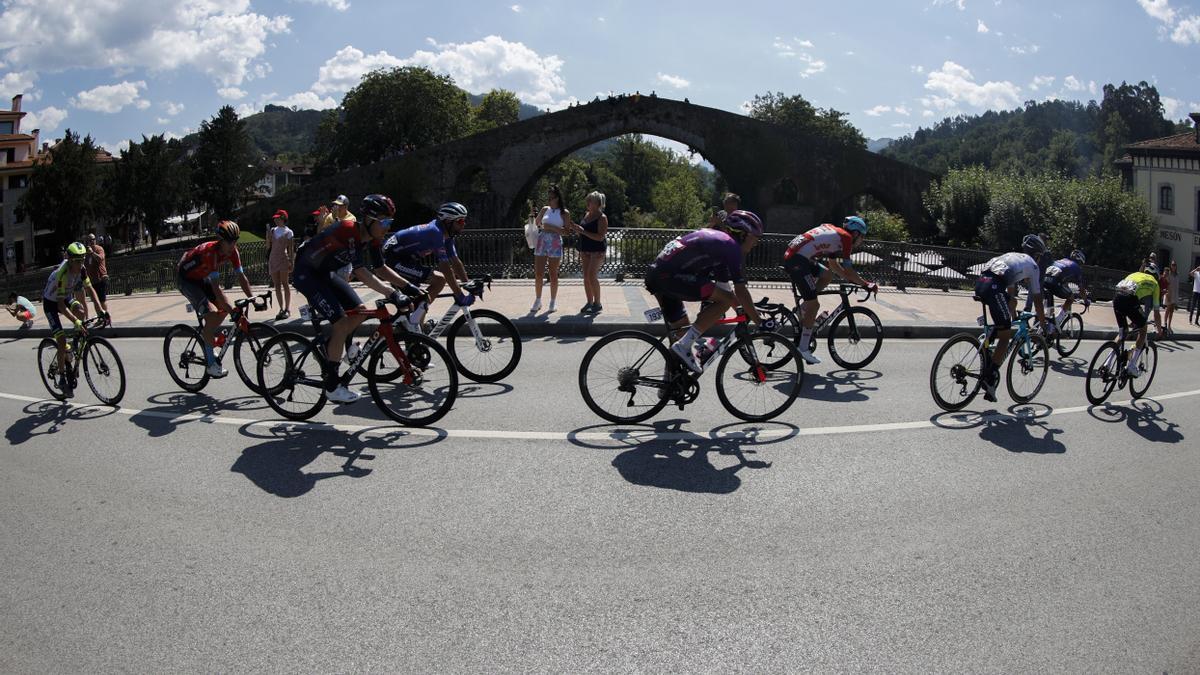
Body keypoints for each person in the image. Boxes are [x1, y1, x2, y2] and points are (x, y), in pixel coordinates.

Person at [291, 194, 425, 404]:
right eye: (384, 222)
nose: (387, 227)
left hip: (326, 273)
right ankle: (333, 386)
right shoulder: (348, 230)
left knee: (360, 311)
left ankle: (333, 348)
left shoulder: (372, 238)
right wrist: (392, 293)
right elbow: (361, 271)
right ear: (370, 220)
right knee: (341, 322)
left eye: (390, 222)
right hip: (306, 274)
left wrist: (408, 286)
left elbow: (380, 268)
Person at [644, 210, 765, 373]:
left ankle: (670, 383)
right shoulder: (732, 247)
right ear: (743, 234)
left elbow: (724, 287)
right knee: (724, 301)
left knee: (680, 332)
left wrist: (741, 309)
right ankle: (685, 345)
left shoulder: (721, 243)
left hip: (658, 275)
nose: (756, 243)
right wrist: (759, 322)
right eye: (755, 238)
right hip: (669, 277)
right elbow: (740, 291)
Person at [782, 216, 879, 365]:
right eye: (862, 236)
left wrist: (848, 278)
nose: (861, 241)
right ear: (856, 233)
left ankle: (805, 307)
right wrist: (866, 284)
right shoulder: (846, 238)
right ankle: (803, 348)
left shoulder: (836, 234)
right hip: (798, 261)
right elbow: (849, 270)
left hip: (798, 257)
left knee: (827, 275)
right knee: (814, 305)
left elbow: (833, 265)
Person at [973, 234, 1049, 403]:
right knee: (1006, 336)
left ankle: (989, 341)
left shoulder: (1013, 257)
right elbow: (1037, 299)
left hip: (981, 283)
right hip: (994, 287)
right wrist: (1042, 323)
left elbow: (1011, 293)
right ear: (1037, 255)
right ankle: (989, 376)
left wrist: (1013, 315)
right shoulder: (1033, 266)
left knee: (1010, 308)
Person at [177, 221, 255, 379]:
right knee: (213, 313)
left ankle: (209, 339)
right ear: (221, 240)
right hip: (186, 279)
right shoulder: (211, 253)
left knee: (222, 311)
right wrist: (231, 309)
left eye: (235, 241)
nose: (233, 245)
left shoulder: (233, 252)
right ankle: (211, 364)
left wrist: (252, 298)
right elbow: (216, 288)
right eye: (229, 241)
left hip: (200, 276)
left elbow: (241, 277)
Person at [380, 202, 473, 332]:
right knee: (439, 281)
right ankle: (411, 327)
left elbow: (455, 262)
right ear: (448, 221)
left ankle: (416, 325)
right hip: (393, 260)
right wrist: (459, 294)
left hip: (406, 259)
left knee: (420, 301)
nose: (464, 224)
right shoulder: (435, 232)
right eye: (461, 221)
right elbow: (446, 267)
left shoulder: (447, 235)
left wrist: (468, 284)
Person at [43, 242, 108, 393]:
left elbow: (90, 289)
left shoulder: (82, 269)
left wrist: (100, 311)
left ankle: (75, 343)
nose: (81, 264)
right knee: (61, 340)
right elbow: (60, 306)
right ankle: (61, 376)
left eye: (83, 260)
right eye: (77, 261)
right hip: (51, 303)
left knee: (80, 310)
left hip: (64, 297)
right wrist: (76, 322)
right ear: (70, 260)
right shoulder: (62, 274)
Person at [1112, 268, 1163, 378]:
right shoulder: (1154, 283)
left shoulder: (1134, 274)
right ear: (1156, 276)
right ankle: (1131, 366)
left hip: (1116, 297)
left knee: (1122, 333)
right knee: (1143, 329)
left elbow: (1127, 296)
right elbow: (1156, 313)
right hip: (1130, 299)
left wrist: (1133, 320)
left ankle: (1107, 364)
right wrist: (1159, 330)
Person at [531, 184, 570, 313]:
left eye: (552, 198)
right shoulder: (544, 209)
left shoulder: (564, 213)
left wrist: (551, 228)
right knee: (538, 273)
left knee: (553, 273)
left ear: (558, 198)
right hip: (542, 240)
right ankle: (538, 300)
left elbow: (566, 232)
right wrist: (536, 217)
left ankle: (553, 301)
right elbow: (537, 223)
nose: (549, 200)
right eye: (548, 198)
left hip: (555, 242)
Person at [571, 191, 608, 313]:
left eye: (590, 201)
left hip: (597, 251)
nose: (587, 203)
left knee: (592, 276)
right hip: (585, 249)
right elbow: (582, 232)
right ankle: (589, 302)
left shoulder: (602, 218)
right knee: (586, 277)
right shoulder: (586, 215)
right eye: (587, 200)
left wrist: (583, 231)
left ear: (597, 203)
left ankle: (598, 304)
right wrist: (577, 229)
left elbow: (600, 237)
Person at [1042, 249, 1088, 329]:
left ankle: (1045, 328)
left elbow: (1062, 278)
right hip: (1055, 284)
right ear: (1080, 261)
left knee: (1049, 311)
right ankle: (1058, 320)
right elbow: (1081, 289)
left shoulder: (1061, 260)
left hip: (1044, 282)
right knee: (1071, 297)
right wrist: (1086, 301)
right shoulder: (1076, 267)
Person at [266, 209, 295, 320]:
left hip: (283, 258)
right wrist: (268, 237)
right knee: (277, 285)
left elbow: (291, 249)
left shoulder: (289, 232)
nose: (276, 219)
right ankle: (281, 308)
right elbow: (268, 247)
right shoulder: (273, 230)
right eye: (275, 218)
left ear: (283, 218)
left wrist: (292, 262)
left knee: (285, 283)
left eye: (278, 218)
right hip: (273, 259)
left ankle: (287, 308)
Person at [83, 233, 109, 306]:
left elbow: (100, 258)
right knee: (95, 301)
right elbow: (85, 265)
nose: (92, 241)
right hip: (92, 281)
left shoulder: (99, 249)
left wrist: (92, 252)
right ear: (87, 241)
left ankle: (105, 316)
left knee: (102, 300)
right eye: (90, 240)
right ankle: (100, 315)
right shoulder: (85, 253)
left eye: (93, 239)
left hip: (100, 278)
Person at [1160, 260, 1178, 334]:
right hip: (1169, 294)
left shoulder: (1177, 275)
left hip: (1174, 295)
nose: (1173, 266)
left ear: (1176, 266)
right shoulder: (1168, 274)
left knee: (1172, 312)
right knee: (1167, 310)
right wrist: (1167, 295)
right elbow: (1166, 286)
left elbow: (1177, 286)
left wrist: (1176, 297)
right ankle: (1165, 324)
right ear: (1171, 266)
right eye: (1172, 265)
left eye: (1174, 265)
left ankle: (1169, 326)